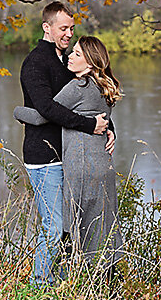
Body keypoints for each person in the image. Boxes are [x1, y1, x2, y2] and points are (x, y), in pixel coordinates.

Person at [15, 36, 124, 281]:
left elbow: (43, 115)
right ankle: (105, 285)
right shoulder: (103, 85)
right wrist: (111, 130)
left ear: (89, 61)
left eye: (76, 53)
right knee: (102, 226)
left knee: (70, 227)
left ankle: (53, 283)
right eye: (72, 51)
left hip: (80, 166)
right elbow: (103, 119)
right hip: (103, 165)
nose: (70, 56)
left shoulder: (78, 87)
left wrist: (17, 112)